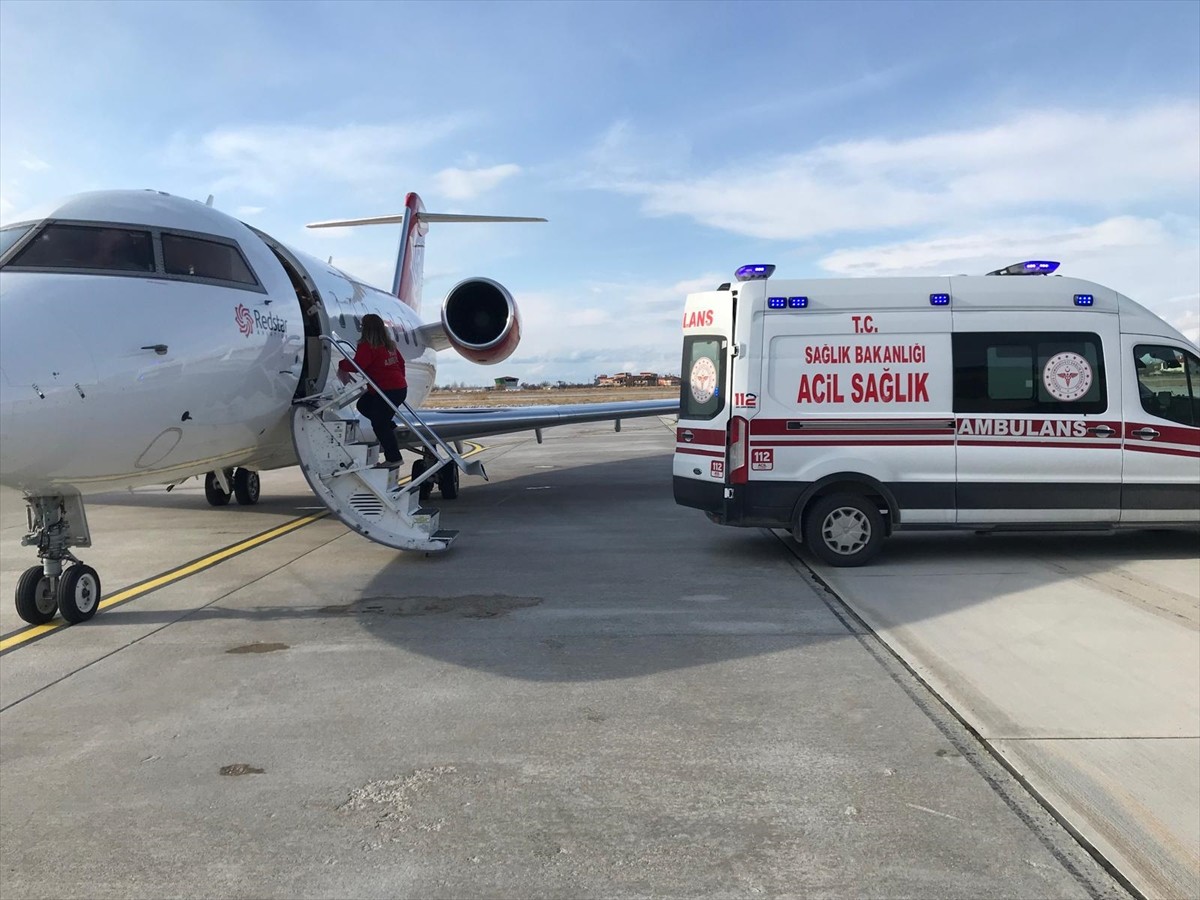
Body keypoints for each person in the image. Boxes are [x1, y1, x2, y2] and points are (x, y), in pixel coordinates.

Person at [338, 314, 408, 467]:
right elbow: (401, 363)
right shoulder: (389, 345)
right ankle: (389, 427)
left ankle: (394, 458)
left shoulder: (367, 345)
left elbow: (358, 365)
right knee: (364, 405)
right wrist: (399, 380)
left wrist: (341, 364)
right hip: (398, 388)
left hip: (388, 390)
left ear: (365, 328)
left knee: (379, 424)